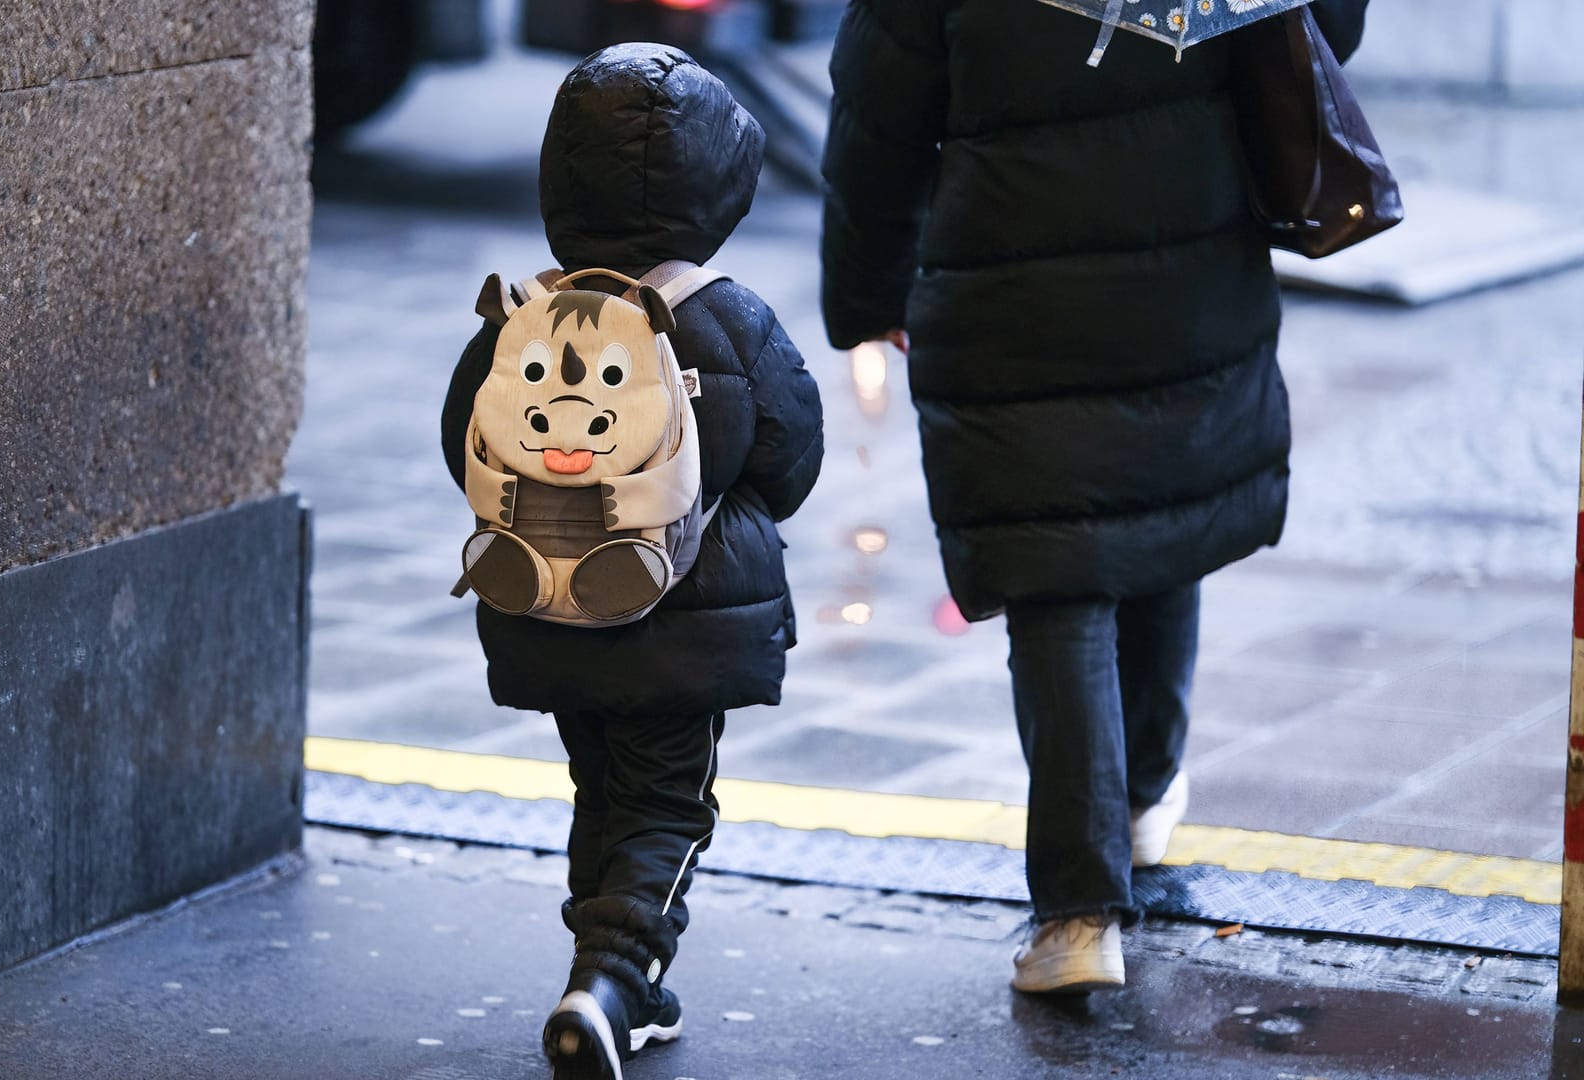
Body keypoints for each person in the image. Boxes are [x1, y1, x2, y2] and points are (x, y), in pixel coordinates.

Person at [818, 0, 1368, 994]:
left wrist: (866, 291)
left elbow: (878, 120)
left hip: (1009, 283)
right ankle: (1145, 796)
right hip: (1189, 256)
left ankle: (1076, 914)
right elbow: (1326, 29)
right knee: (1158, 511)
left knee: (1057, 568)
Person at [441, 43, 824, 1079]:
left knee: (600, 788)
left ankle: (613, 983)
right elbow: (793, 457)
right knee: (666, 806)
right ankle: (607, 983)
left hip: (547, 606)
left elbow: (463, 450)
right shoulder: (725, 318)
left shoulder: (523, 313)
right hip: (681, 620)